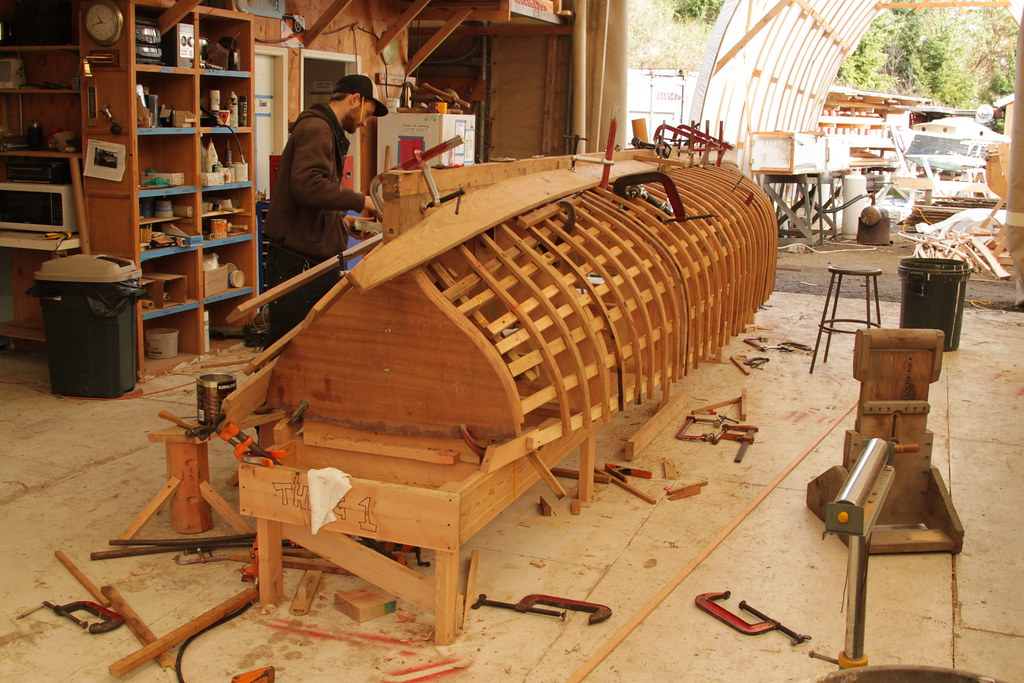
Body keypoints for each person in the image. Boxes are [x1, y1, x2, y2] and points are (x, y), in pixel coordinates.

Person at [262, 73, 388, 344]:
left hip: (311, 259)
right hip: (297, 263)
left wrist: (341, 221)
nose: (365, 122)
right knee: (291, 348)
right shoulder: (317, 130)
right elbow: (308, 186)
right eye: (367, 113)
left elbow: (316, 195)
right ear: (355, 99)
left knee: (314, 346)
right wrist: (363, 201)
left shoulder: (326, 131)